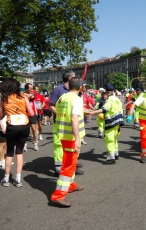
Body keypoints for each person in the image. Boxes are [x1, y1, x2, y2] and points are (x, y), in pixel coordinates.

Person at [50, 77, 85, 207]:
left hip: (63, 134)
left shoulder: (63, 97)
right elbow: (74, 119)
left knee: (70, 162)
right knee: (68, 165)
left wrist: (86, 112)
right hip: (71, 137)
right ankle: (58, 195)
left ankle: (71, 185)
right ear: (81, 87)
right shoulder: (76, 99)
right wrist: (77, 139)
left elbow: (63, 112)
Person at [0, 78, 34, 187]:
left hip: (12, 126)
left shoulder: (4, 98)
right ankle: (18, 179)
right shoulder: (23, 96)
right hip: (24, 125)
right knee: (19, 152)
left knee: (9, 152)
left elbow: (1, 115)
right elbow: (31, 112)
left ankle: (6, 178)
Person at [49, 70, 83, 176]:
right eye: (74, 77)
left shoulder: (73, 91)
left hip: (72, 124)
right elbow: (51, 106)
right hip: (61, 124)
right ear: (70, 78)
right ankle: (59, 168)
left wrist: (87, 112)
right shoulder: (58, 90)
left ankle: (72, 166)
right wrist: (62, 114)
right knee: (59, 145)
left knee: (73, 146)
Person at [91, 84, 124, 164]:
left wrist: (93, 112)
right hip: (118, 121)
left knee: (109, 139)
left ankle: (111, 158)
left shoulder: (109, 100)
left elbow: (104, 109)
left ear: (106, 92)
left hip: (111, 122)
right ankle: (116, 154)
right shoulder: (117, 99)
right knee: (115, 138)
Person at [24, 83, 39, 151]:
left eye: (32, 88)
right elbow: (25, 96)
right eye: (30, 88)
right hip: (25, 114)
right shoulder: (23, 94)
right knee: (25, 131)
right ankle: (25, 144)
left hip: (32, 114)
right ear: (27, 88)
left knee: (34, 129)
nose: (31, 89)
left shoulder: (34, 93)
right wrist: (26, 95)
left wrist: (26, 95)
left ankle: (36, 144)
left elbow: (32, 96)